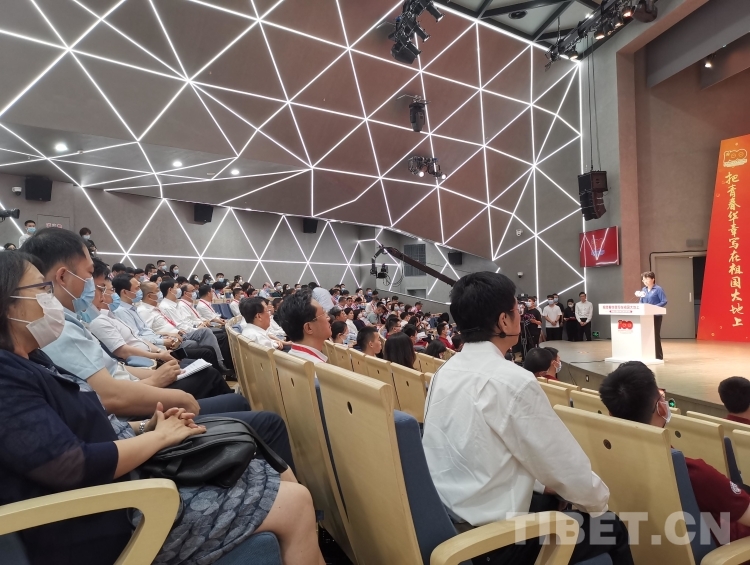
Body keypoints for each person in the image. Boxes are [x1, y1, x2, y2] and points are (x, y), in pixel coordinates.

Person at [0, 251, 325, 565]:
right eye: (40, 289)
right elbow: (69, 466)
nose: (50, 299)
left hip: (127, 479)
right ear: (6, 302)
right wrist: (159, 437)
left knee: (272, 467)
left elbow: (81, 427)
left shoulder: (33, 360)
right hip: (107, 514)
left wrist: (148, 426)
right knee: (295, 502)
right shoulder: (6, 375)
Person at [422, 271, 632, 565]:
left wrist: (541, 485)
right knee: (612, 527)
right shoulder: (512, 381)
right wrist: (599, 505)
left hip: (449, 518)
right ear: (503, 321)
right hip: (493, 543)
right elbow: (565, 466)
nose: (520, 316)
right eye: (516, 310)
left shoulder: (445, 371)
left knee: (550, 497)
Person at [601, 362, 750, 544]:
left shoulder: (603, 461)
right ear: (661, 407)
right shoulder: (694, 473)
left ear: (610, 413)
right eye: (662, 396)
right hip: (730, 548)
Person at [275, 290, 331, 364]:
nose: (328, 318)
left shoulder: (290, 358)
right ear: (309, 328)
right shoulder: (317, 367)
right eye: (323, 313)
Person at [636, 271, 667, 360]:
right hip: (645, 316)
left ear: (653, 279)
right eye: (643, 279)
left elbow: (664, 301)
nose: (645, 281)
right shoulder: (643, 290)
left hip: (656, 315)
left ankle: (658, 356)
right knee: (646, 335)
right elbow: (641, 301)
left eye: (647, 279)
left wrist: (653, 308)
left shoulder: (658, 289)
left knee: (655, 335)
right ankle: (647, 354)